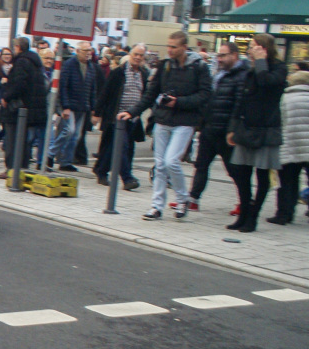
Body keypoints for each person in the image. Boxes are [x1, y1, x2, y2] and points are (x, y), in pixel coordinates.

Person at [119, 31, 211, 221]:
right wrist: (133, 112)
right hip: (163, 119)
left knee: (171, 161)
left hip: (185, 122)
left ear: (184, 47)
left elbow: (205, 95)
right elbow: (151, 93)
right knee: (160, 164)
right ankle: (156, 206)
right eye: (168, 46)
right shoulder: (165, 66)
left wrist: (179, 102)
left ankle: (182, 199)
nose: (169, 50)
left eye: (173, 47)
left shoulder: (199, 67)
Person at [225, 33, 286, 232]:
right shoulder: (250, 72)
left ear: (264, 48)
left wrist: (261, 62)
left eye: (253, 47)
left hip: (267, 131)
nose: (250, 51)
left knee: (262, 177)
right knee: (241, 174)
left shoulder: (278, 68)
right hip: (247, 128)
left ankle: (253, 216)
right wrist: (232, 128)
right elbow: (241, 102)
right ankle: (243, 213)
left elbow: (267, 83)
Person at [184, 40, 244, 212]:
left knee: (233, 169)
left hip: (226, 131)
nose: (220, 59)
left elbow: (239, 104)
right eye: (218, 55)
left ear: (234, 56)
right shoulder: (218, 74)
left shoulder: (240, 75)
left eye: (223, 55)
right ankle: (193, 198)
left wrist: (232, 129)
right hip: (210, 127)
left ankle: (244, 201)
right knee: (201, 165)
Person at [92, 45, 148, 190]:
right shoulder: (119, 72)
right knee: (121, 146)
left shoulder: (144, 74)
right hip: (117, 116)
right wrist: (97, 113)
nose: (138, 57)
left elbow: (147, 95)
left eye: (141, 55)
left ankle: (101, 170)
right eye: (135, 54)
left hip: (133, 118)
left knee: (114, 147)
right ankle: (127, 178)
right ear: (130, 54)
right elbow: (106, 92)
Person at [0, 37, 47, 178]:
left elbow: (19, 84)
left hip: (17, 108)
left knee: (11, 139)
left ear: (18, 47)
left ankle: (12, 169)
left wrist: (7, 96)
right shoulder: (35, 62)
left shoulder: (21, 63)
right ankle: (22, 167)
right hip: (30, 107)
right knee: (24, 140)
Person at [47, 40, 102, 172]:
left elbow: (92, 89)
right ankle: (50, 154)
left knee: (76, 136)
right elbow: (63, 86)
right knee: (68, 131)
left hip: (83, 106)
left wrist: (94, 108)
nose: (88, 54)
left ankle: (66, 161)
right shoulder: (69, 65)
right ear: (77, 51)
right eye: (85, 51)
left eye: (90, 51)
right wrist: (65, 106)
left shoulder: (91, 67)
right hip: (70, 105)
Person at [269, 68, 309, 224]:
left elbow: (279, 121)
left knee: (287, 182)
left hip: (289, 145)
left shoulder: (284, 98)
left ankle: (284, 214)